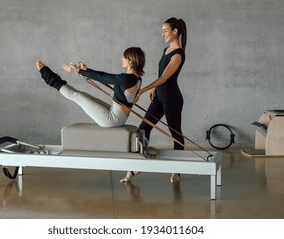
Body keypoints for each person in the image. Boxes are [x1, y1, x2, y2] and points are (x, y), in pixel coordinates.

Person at [120, 17, 187, 183]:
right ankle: (137, 167)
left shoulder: (178, 54)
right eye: (162, 31)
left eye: (165, 30)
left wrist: (143, 90)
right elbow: (161, 76)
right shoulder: (166, 50)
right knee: (144, 128)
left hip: (172, 98)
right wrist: (155, 90)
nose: (162, 34)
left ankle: (178, 171)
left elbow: (165, 78)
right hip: (160, 96)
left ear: (175, 31)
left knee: (175, 133)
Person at [36, 47, 145, 128]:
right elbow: (103, 75)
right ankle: (51, 78)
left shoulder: (126, 78)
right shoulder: (137, 79)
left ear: (130, 61)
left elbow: (103, 77)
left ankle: (48, 77)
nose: (122, 59)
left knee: (77, 96)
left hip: (112, 119)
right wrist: (85, 70)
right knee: (82, 95)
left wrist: (79, 71)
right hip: (117, 116)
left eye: (124, 57)